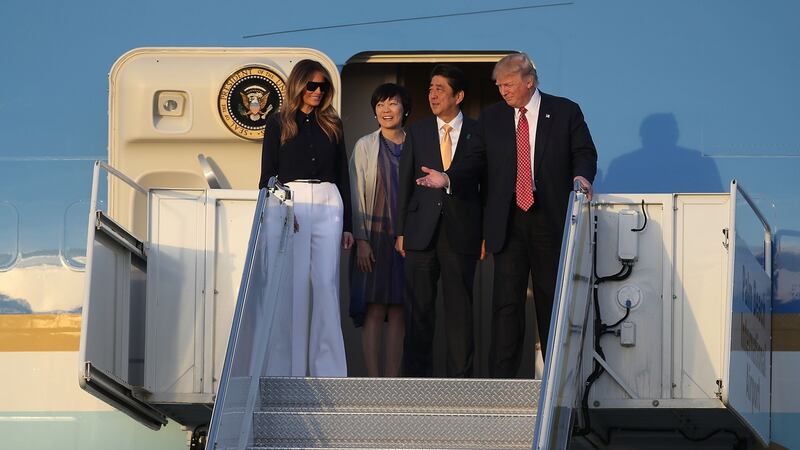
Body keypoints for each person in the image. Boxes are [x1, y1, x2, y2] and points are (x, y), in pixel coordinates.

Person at [416, 53, 597, 378]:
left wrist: (581, 177)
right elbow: (474, 160)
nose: (503, 91)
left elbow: (583, 152)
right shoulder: (492, 118)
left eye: (508, 84)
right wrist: (449, 177)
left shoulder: (565, 111)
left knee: (550, 301)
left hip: (549, 219)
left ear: (529, 81)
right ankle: (502, 383)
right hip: (508, 221)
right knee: (506, 306)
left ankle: (556, 376)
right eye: (499, 85)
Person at [259, 59, 353, 377]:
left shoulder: (333, 124)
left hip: (329, 201)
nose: (317, 91)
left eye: (323, 86)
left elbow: (343, 175)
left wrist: (349, 226)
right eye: (312, 85)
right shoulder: (278, 123)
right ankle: (287, 369)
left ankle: (329, 370)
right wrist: (283, 210)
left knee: (326, 284)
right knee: (293, 285)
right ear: (299, 85)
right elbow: (267, 175)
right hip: (291, 202)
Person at [396, 64, 482, 378]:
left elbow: (484, 182)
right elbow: (404, 182)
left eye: (440, 89)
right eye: (430, 88)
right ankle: (416, 383)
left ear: (458, 96)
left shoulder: (477, 131)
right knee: (419, 310)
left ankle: (461, 383)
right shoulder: (417, 131)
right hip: (420, 233)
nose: (432, 94)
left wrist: (484, 233)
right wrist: (401, 231)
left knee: (459, 311)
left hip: (462, 231)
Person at [349, 83, 412, 377]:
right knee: (374, 307)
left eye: (393, 103)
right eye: (380, 105)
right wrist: (361, 239)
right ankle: (374, 380)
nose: (386, 110)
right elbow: (355, 191)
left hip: (408, 237)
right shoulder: (365, 145)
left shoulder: (417, 142)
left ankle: (393, 380)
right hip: (373, 235)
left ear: (405, 108)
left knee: (400, 308)